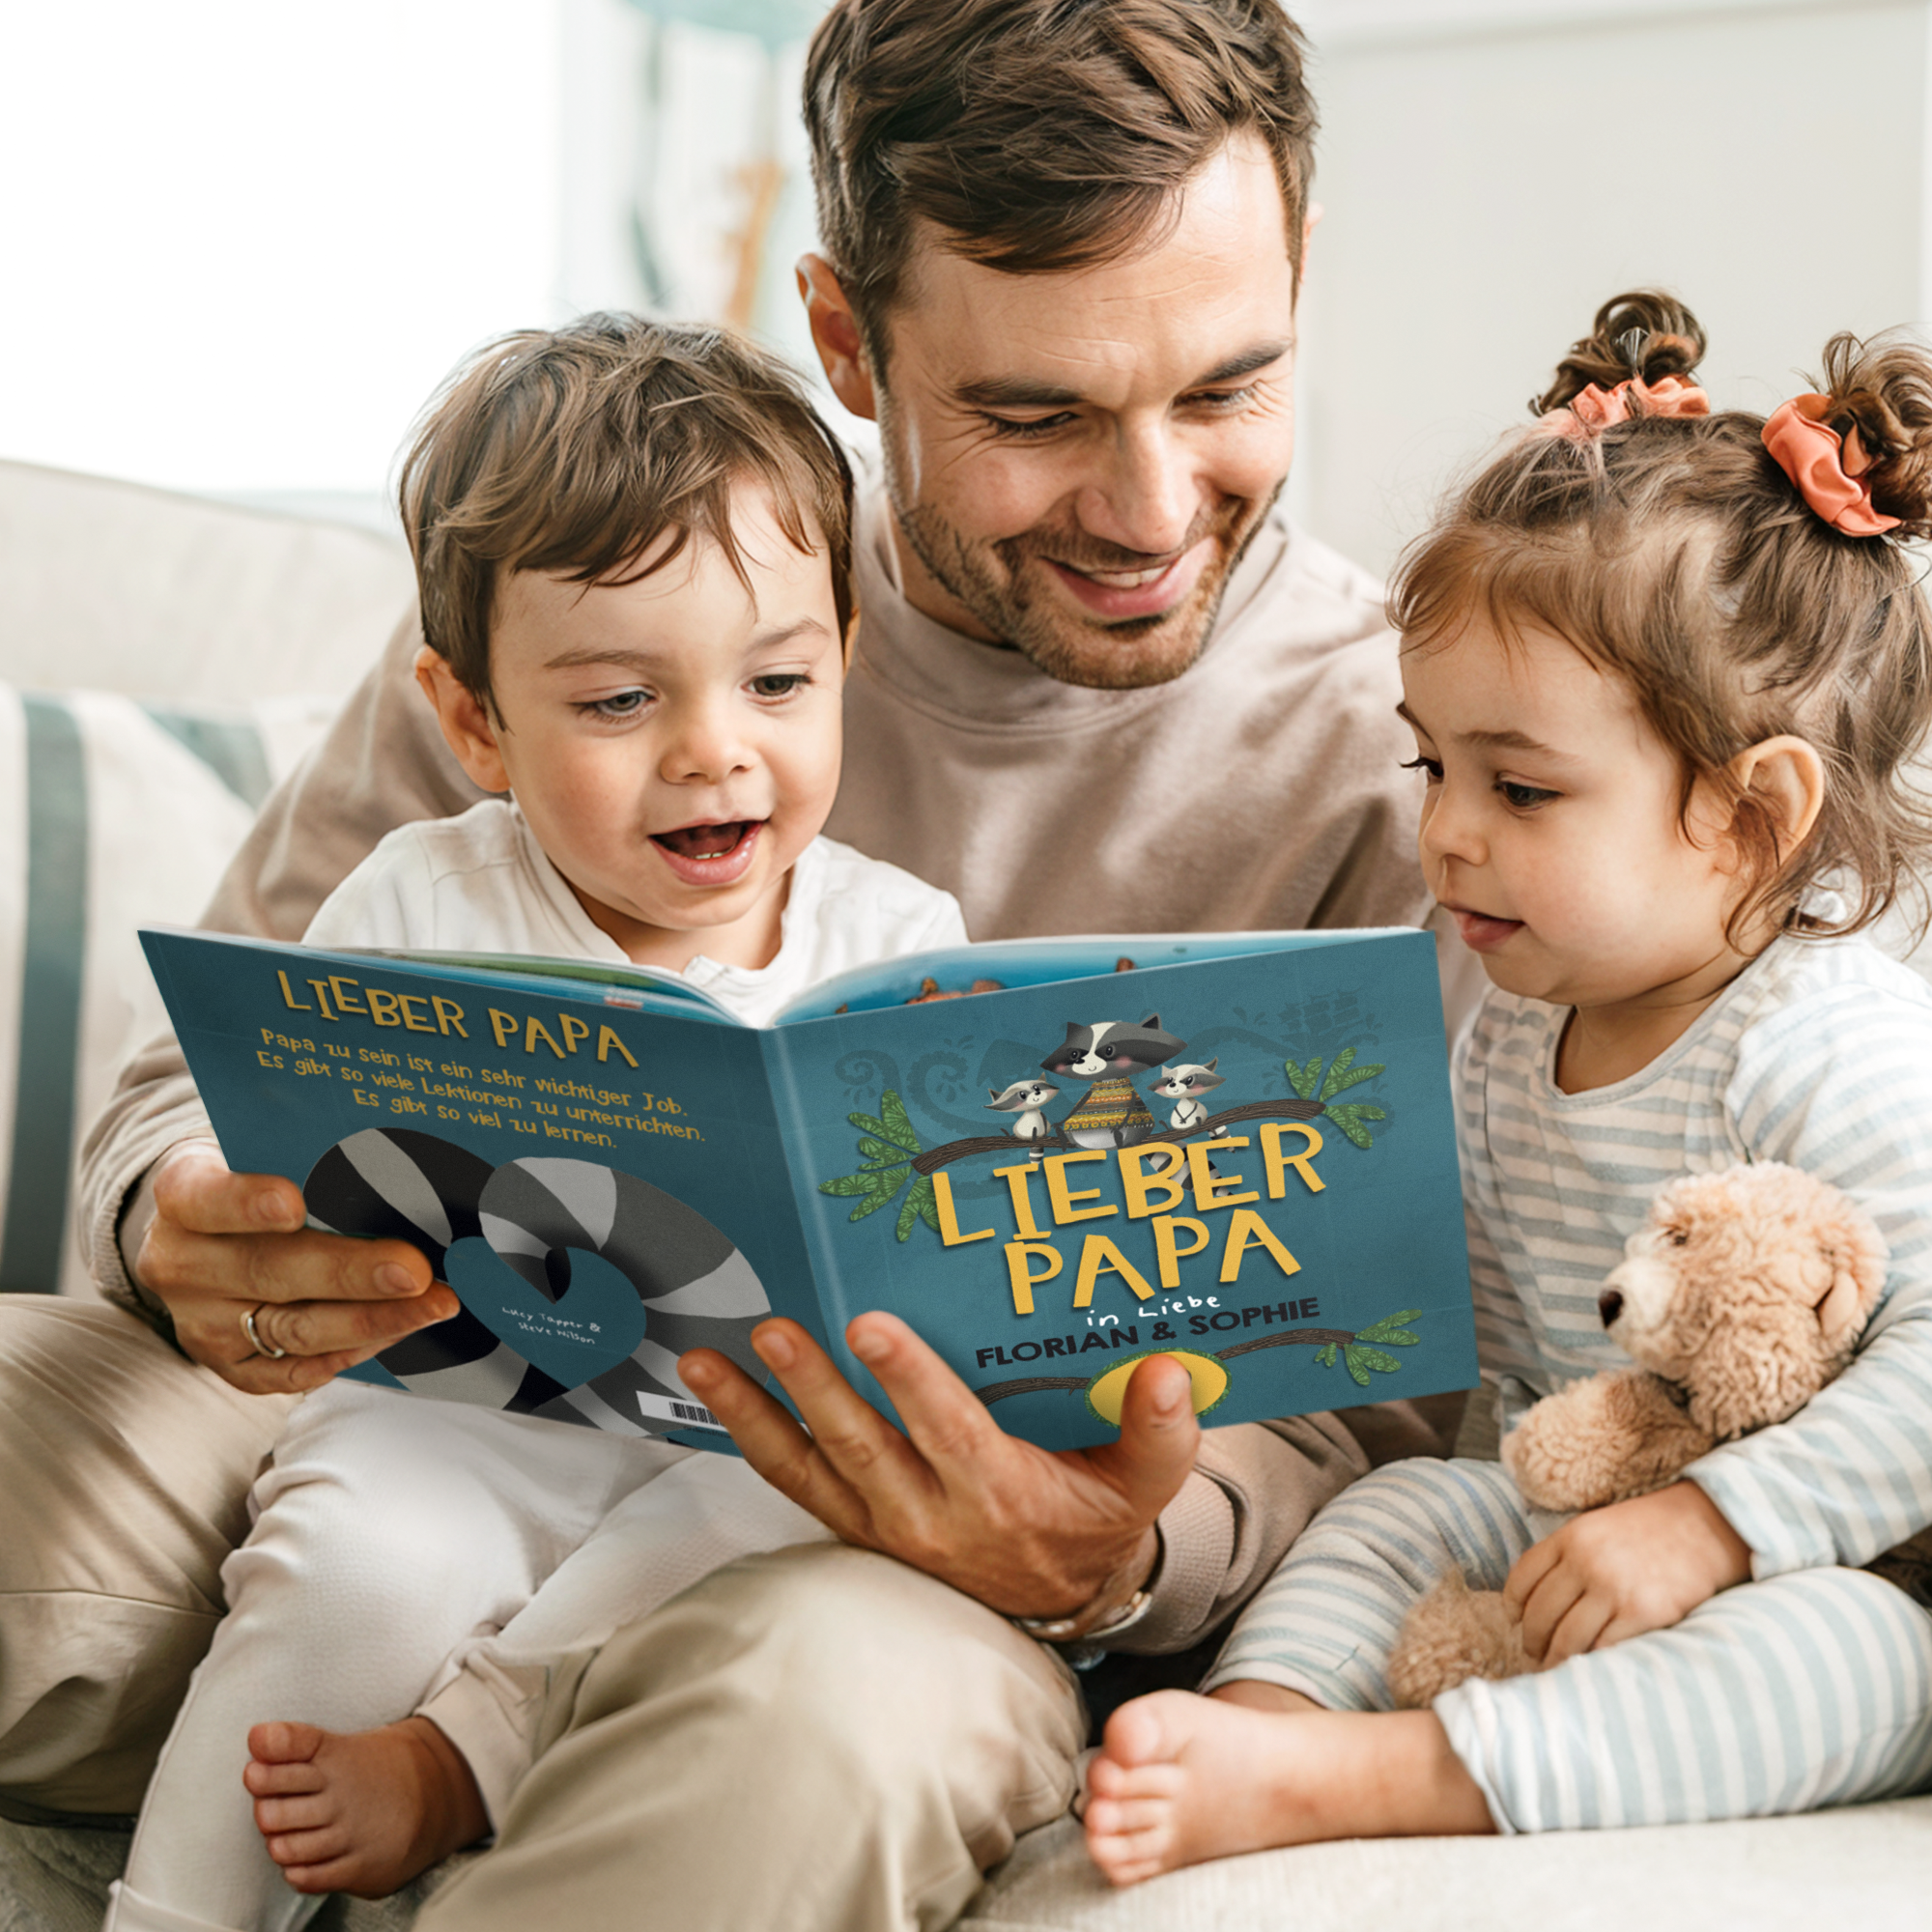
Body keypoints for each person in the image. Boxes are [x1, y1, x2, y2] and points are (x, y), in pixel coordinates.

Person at [5, 4, 1460, 1926]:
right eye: (1033, 416)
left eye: (1225, 389)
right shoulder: (592, 575)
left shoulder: (1407, 749)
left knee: (818, 1720)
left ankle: (464, 1773)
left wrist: (1120, 1547)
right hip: (405, 1410)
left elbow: (1385, 1398)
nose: (1146, 507)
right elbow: (193, 1083)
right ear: (851, 339)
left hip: (885, 1557)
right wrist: (184, 1214)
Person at [103, 316, 977, 1932]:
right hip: (463, 1408)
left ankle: (467, 1752)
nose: (716, 746)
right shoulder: (418, 897)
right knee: (355, 1568)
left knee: (783, 1520)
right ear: (477, 720)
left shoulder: (905, 944)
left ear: (846, 655)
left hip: (746, 1447)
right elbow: (283, 1144)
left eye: (778, 679)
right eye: (622, 698)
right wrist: (245, 1205)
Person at [1082, 294, 1932, 1883]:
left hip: (1852, 1561)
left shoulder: (1825, 1043)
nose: (1449, 833)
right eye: (1434, 767)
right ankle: (1262, 1717)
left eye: (1520, 786)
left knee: (1849, 1656)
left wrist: (1719, 1529)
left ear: (1754, 819)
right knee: (1404, 1516)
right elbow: (1510, 1391)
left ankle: (1380, 1777)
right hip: (1599, 1511)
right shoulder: (1504, 1039)